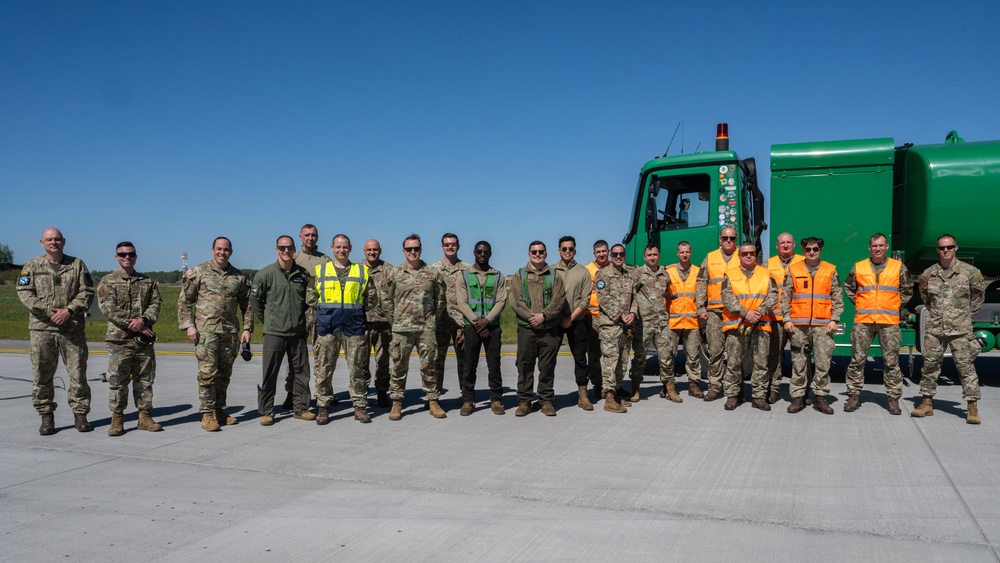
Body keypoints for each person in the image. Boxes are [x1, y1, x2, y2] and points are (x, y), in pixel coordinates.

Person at [17, 227, 94, 435]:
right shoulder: (32, 266)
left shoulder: (76, 265)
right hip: (42, 328)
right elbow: (24, 293)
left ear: (64, 241)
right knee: (42, 374)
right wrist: (48, 311)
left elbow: (87, 291)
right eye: (49, 240)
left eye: (57, 239)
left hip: (72, 329)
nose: (53, 242)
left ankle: (80, 415)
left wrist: (69, 311)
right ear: (42, 243)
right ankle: (46, 416)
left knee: (78, 373)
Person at [178, 236, 254, 432]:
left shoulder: (238, 277)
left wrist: (247, 329)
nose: (222, 252)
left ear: (231, 252)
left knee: (224, 374)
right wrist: (189, 325)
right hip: (206, 332)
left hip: (229, 332)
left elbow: (248, 306)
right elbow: (185, 301)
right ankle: (207, 413)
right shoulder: (199, 272)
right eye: (219, 249)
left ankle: (219, 410)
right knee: (207, 373)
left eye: (226, 249)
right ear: (213, 250)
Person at [911, 234, 986, 424]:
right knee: (929, 366)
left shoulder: (970, 272)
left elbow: (977, 297)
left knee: (966, 367)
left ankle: (972, 406)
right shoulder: (928, 274)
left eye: (949, 247)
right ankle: (926, 403)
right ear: (937, 250)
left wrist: (964, 316)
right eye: (942, 248)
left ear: (956, 248)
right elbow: (926, 297)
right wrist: (939, 314)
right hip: (935, 329)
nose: (946, 251)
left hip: (960, 330)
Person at [97, 241, 163, 436]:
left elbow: (155, 304)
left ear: (136, 257)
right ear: (116, 256)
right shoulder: (108, 281)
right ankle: (117, 419)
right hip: (119, 340)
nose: (127, 257)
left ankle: (144, 417)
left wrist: (144, 320)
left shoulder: (147, 282)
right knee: (118, 380)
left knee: (145, 380)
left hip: (143, 340)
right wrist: (133, 324)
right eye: (122, 254)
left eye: (131, 254)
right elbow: (108, 307)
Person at [843, 233, 913, 415]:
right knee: (857, 360)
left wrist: (895, 305)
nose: (878, 249)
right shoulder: (859, 267)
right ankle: (853, 396)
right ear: (869, 248)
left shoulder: (898, 267)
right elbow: (849, 287)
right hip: (863, 321)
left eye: (881, 245)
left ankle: (893, 398)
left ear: (886, 247)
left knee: (891, 362)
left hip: (888, 322)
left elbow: (907, 290)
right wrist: (861, 303)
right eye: (874, 246)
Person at [381, 234, 448, 420]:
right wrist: (394, 319)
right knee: (399, 366)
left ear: (421, 249)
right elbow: (385, 298)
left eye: (416, 248)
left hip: (426, 328)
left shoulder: (432, 273)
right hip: (401, 328)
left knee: (429, 365)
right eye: (409, 249)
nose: (413, 252)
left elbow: (440, 299)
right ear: (403, 251)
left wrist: (432, 318)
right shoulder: (395, 273)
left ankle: (433, 401)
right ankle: (396, 403)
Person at [251, 235, 314, 426]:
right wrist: (269, 321)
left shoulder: (303, 274)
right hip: (274, 333)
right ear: (276, 250)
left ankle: (301, 408)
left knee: (301, 372)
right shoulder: (265, 274)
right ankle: (267, 410)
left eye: (289, 248)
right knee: (270, 373)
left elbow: (306, 301)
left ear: (294, 249)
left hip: (297, 333)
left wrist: (297, 318)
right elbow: (255, 302)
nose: (286, 251)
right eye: (282, 248)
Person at [313, 234, 372, 425]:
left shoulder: (361, 271)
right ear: (332, 248)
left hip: (353, 325)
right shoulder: (321, 270)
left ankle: (360, 406)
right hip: (328, 325)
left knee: (357, 368)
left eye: (345, 247)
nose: (341, 250)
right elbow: (311, 297)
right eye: (338, 247)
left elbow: (371, 299)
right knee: (324, 367)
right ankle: (323, 407)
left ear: (350, 248)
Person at [781, 237, 843, 415]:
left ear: (820, 250)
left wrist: (834, 319)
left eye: (815, 249)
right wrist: (787, 319)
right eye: (808, 249)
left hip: (823, 325)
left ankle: (821, 397)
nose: (811, 252)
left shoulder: (830, 270)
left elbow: (837, 296)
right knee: (799, 362)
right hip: (798, 325)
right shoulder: (793, 269)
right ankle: (798, 397)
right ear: (803, 249)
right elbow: (785, 297)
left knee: (823, 362)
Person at [509, 241, 566, 417]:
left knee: (547, 365)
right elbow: (516, 301)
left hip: (548, 328)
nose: (537, 254)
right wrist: (532, 318)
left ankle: (546, 401)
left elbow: (559, 300)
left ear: (546, 254)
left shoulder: (554, 275)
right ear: (529, 254)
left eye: (541, 251)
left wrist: (544, 316)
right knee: (525, 365)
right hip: (527, 328)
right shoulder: (520, 275)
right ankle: (524, 401)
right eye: (534, 251)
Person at [720, 242, 777, 411]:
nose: (749, 256)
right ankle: (733, 395)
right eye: (744, 254)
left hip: (761, 325)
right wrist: (746, 313)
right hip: (736, 326)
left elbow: (773, 297)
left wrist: (758, 312)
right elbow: (727, 298)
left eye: (751, 253)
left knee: (761, 363)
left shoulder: (766, 274)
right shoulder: (729, 275)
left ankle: (758, 397)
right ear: (739, 256)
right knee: (733, 362)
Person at [455, 241, 507, 416]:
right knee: (470, 364)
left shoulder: (497, 276)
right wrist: (477, 322)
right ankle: (468, 400)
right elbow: (462, 302)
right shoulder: (464, 276)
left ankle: (496, 399)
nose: (482, 254)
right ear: (474, 253)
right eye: (479, 251)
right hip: (471, 327)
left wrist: (488, 321)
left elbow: (501, 301)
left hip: (492, 327)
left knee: (494, 365)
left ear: (490, 253)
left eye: (485, 252)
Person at [631, 243, 683, 403]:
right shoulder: (637, 273)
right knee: (640, 357)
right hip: (643, 323)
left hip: (661, 323)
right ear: (644, 257)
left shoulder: (665, 275)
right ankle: (635, 388)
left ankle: (670, 388)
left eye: (655, 255)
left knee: (666, 356)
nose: (652, 258)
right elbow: (631, 294)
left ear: (659, 256)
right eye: (649, 255)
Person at [287, 223, 330, 410]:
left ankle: (324, 393)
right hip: (299, 313)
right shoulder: (294, 259)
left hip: (320, 312)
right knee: (296, 357)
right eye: (307, 235)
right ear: (300, 237)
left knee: (323, 355)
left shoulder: (326, 260)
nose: (310, 238)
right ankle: (293, 392)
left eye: (313, 235)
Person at [696, 226, 740, 401]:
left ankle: (733, 389)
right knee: (715, 351)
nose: (728, 241)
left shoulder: (742, 257)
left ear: (736, 240)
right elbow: (701, 282)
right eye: (725, 238)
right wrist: (700, 307)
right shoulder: (710, 257)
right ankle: (714, 387)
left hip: (736, 312)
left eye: (732, 238)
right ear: (720, 240)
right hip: (714, 312)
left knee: (735, 352)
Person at [553, 235, 596, 410]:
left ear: (575, 250)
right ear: (559, 251)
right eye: (564, 249)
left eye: (571, 249)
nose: (568, 251)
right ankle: (546, 396)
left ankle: (583, 394)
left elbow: (585, 301)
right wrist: (559, 319)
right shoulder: (550, 271)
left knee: (580, 359)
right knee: (548, 360)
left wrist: (570, 318)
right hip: (554, 322)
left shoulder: (583, 272)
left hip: (576, 321)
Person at [595, 243, 638, 413]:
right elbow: (603, 299)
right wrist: (621, 315)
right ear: (610, 256)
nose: (618, 257)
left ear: (624, 255)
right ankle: (609, 398)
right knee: (610, 362)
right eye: (615, 254)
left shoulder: (629, 275)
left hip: (626, 326)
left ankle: (617, 393)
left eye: (621, 254)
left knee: (622, 361)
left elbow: (635, 297)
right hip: (610, 326)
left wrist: (632, 314)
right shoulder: (602, 275)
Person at [765, 232, 804, 403]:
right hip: (775, 317)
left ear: (794, 244)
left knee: (801, 356)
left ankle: (802, 392)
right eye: (782, 243)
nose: (786, 245)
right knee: (774, 355)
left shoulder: (803, 262)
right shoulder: (769, 264)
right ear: (777, 246)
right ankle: (773, 389)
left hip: (798, 318)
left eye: (789, 242)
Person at [431, 233, 470, 393]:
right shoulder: (434, 269)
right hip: (440, 321)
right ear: (442, 247)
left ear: (458, 246)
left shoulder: (467, 269)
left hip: (461, 321)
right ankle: (434, 395)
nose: (450, 247)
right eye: (447, 244)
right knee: (437, 361)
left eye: (453, 244)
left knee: (464, 360)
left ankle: (466, 395)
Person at [665, 241, 704, 398]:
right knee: (668, 354)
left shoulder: (698, 272)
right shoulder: (668, 271)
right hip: (673, 321)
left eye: (687, 252)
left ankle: (693, 385)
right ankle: (667, 385)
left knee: (693, 355)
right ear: (677, 253)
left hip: (692, 321)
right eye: (681, 252)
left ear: (691, 252)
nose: (684, 254)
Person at [362, 239, 393, 407]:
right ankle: (363, 393)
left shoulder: (389, 269)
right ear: (364, 251)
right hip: (362, 323)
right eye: (369, 250)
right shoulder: (356, 269)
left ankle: (382, 392)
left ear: (380, 251)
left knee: (383, 361)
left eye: (375, 249)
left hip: (383, 324)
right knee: (361, 361)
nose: (372, 252)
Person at [584, 240, 610, 401]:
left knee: (611, 353)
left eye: (604, 251)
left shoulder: (614, 268)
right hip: (592, 317)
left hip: (610, 318)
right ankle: (597, 384)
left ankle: (611, 385)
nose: (601, 254)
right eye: (598, 252)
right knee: (594, 354)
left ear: (608, 252)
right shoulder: (587, 271)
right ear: (594, 254)